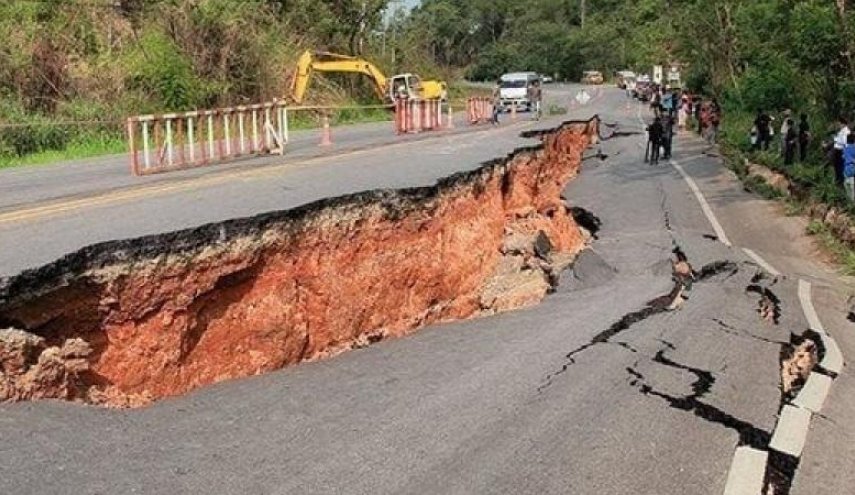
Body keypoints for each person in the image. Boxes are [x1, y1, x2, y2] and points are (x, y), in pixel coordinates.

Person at [833, 117, 850, 185]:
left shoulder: (846, 132)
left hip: (841, 151)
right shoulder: (841, 131)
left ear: (843, 124)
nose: (838, 125)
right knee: (836, 167)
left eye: (839, 123)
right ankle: (838, 181)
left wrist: (836, 140)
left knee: (840, 167)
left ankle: (841, 182)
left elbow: (844, 142)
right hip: (837, 151)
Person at [845, 133, 855, 201]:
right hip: (852, 168)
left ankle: (850, 203)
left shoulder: (844, 149)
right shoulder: (853, 148)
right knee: (852, 187)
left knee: (848, 187)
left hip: (846, 170)